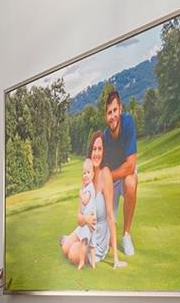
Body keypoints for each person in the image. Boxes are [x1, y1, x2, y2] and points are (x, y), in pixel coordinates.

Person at [60, 132, 126, 270]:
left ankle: (78, 244)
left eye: (100, 149)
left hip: (98, 234)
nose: (96, 153)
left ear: (104, 152)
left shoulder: (105, 174)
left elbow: (109, 216)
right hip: (84, 226)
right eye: (94, 149)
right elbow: (78, 217)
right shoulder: (86, 176)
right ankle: (69, 241)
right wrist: (85, 219)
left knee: (72, 255)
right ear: (90, 151)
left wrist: (116, 259)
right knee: (65, 249)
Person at [100, 86, 139, 258]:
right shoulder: (105, 137)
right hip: (112, 181)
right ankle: (110, 236)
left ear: (120, 109)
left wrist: (109, 176)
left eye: (115, 110)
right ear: (105, 116)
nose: (113, 116)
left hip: (122, 176)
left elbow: (130, 166)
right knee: (107, 242)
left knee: (131, 182)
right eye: (109, 112)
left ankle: (126, 235)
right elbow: (99, 171)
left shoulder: (128, 122)